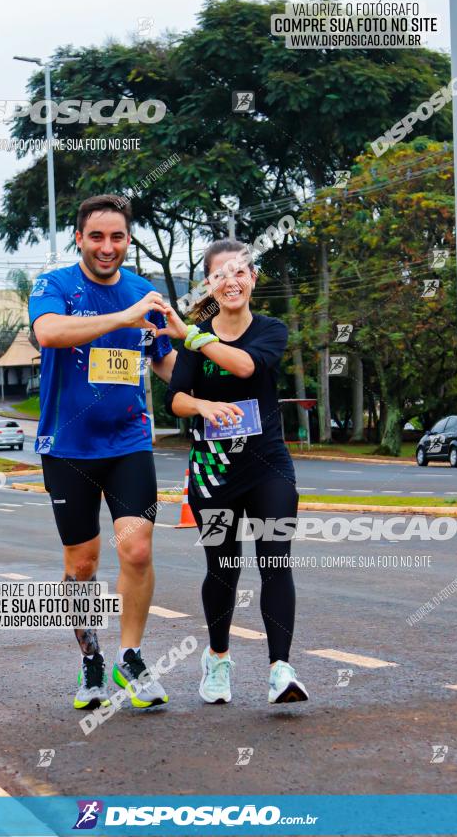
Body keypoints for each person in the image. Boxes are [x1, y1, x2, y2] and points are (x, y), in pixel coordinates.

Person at [29, 194, 183, 711]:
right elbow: (48, 332)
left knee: (136, 549)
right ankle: (91, 659)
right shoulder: (54, 285)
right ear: (79, 238)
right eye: (96, 236)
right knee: (82, 565)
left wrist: (210, 391)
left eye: (117, 237)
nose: (107, 246)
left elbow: (167, 366)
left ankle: (131, 657)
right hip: (68, 445)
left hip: (128, 441)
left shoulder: (145, 294)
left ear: (128, 240)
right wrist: (126, 314)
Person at [164, 238, 309, 705]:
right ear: (209, 283)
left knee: (275, 564)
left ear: (253, 279)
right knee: (223, 570)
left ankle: (280, 670)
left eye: (240, 271)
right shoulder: (196, 337)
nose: (232, 280)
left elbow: (245, 366)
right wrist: (204, 405)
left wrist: (194, 335)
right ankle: (219, 658)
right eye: (221, 274)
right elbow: (177, 398)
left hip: (268, 466)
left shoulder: (270, 329)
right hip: (214, 471)